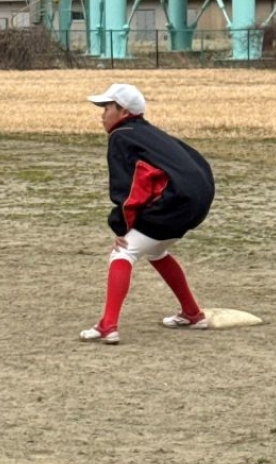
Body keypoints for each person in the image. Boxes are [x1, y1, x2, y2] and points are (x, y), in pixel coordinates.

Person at [79, 83, 215, 345]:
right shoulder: (149, 132)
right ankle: (192, 313)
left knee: (123, 252)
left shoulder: (121, 137)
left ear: (123, 111)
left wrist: (122, 227)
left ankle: (108, 326)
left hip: (175, 201)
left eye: (107, 107)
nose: (102, 114)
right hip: (197, 199)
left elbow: (132, 187)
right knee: (155, 250)